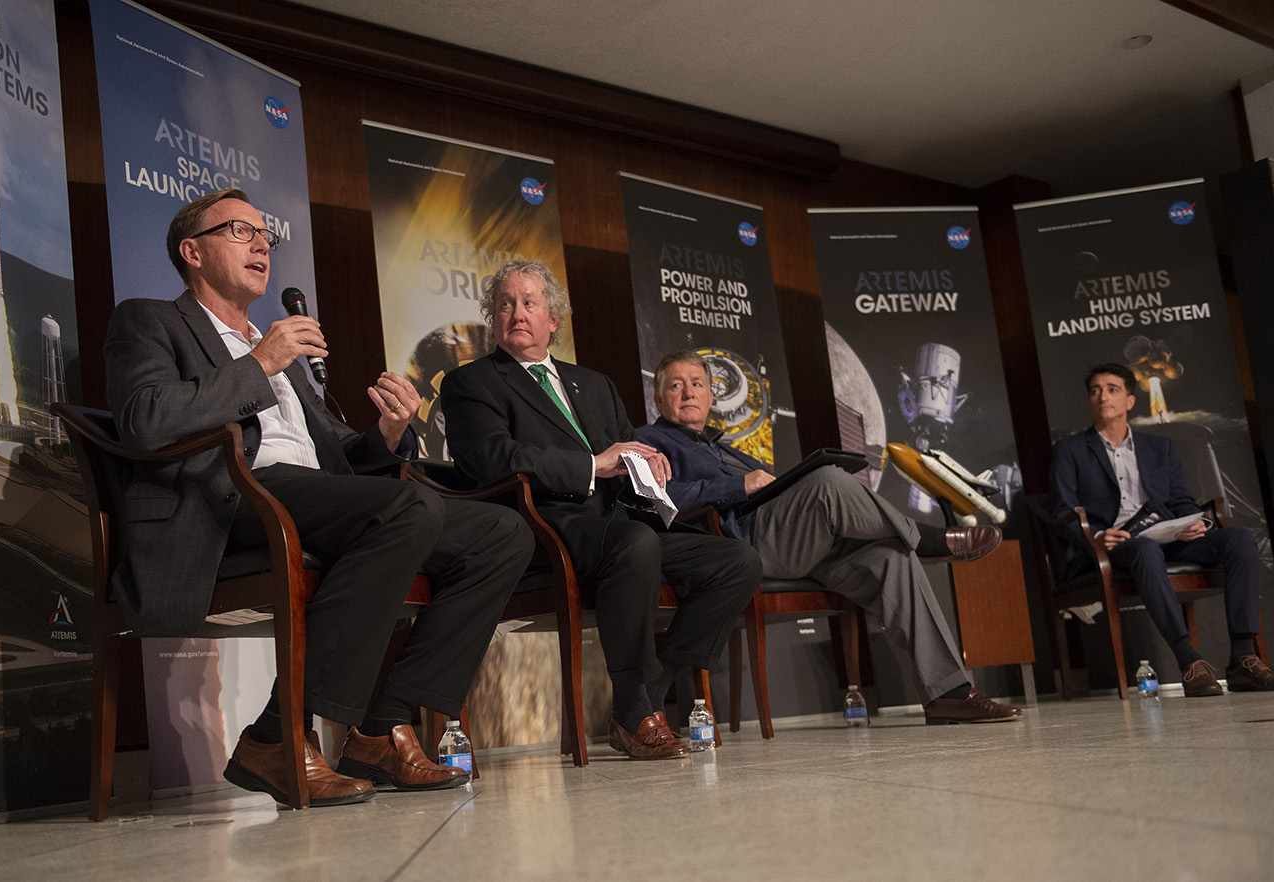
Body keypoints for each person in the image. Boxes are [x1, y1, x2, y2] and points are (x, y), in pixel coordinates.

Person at [104, 189, 533, 806]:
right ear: (191, 252)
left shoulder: (274, 343)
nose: (260, 244)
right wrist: (260, 363)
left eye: (264, 235)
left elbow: (335, 460)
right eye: (238, 231)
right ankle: (279, 737)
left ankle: (379, 728)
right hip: (227, 499)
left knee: (502, 534)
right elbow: (144, 419)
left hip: (305, 496)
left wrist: (386, 436)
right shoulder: (151, 319)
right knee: (408, 508)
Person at [438, 260, 762, 759]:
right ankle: (636, 712)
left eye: (529, 303)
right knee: (636, 543)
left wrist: (647, 468)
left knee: (736, 562)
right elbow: (493, 460)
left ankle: (647, 690)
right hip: (545, 526)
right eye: (505, 304)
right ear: (492, 318)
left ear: (553, 320)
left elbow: (623, 456)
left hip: (624, 524)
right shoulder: (472, 384)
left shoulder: (593, 382)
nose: (517, 314)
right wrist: (594, 464)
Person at [635, 351, 1021, 724]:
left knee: (893, 557)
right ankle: (928, 539)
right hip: (743, 547)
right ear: (658, 396)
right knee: (829, 481)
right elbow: (657, 500)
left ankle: (949, 694)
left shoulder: (725, 448)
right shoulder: (648, 441)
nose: (688, 393)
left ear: (710, 395)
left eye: (697, 384)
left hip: (799, 544)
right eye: (676, 385)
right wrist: (739, 485)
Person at [1048, 362, 1274, 696]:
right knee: (1145, 549)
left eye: (1112, 389)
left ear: (1130, 401)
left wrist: (1193, 523)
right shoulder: (1071, 450)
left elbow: (1182, 500)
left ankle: (1243, 658)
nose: (1102, 396)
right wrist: (1098, 536)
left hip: (1169, 536)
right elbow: (1062, 511)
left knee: (1238, 540)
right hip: (1117, 544)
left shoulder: (1158, 447)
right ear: (1089, 401)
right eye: (1095, 391)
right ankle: (1189, 660)